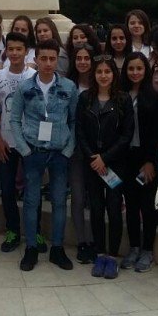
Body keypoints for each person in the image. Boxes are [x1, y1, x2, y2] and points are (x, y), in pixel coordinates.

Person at [8, 39, 77, 272]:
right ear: (35, 60)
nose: (48, 63)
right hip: (33, 151)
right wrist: (24, 150)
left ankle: (57, 248)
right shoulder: (25, 87)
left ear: (58, 60)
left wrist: (68, 150)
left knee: (59, 201)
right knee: (31, 201)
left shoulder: (68, 87)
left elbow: (75, 121)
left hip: (59, 152)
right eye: (43, 58)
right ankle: (31, 249)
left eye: (52, 58)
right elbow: (15, 119)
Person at [78, 56, 134, 279]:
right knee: (97, 209)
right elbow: (80, 131)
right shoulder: (85, 98)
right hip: (92, 164)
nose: (103, 76)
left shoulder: (123, 99)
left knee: (113, 207)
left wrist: (106, 158)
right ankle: (100, 252)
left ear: (114, 74)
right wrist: (94, 158)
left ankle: (112, 256)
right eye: (99, 72)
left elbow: (126, 135)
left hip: (115, 164)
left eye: (107, 72)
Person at [0, 32, 40, 254]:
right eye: (10, 49)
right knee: (8, 189)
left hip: (30, 143)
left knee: (32, 189)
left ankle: (35, 231)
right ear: (6, 51)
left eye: (18, 49)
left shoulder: (35, 76)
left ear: (26, 51)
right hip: (6, 142)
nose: (14, 53)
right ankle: (12, 230)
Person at [120, 51, 158, 273]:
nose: (135, 72)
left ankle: (147, 250)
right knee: (130, 205)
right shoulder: (120, 94)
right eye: (131, 68)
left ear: (145, 71)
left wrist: (151, 161)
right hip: (126, 157)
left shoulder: (154, 96)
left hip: (145, 158)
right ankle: (134, 247)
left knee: (147, 205)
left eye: (139, 68)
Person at [66, 45, 95, 262]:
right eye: (79, 58)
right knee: (77, 196)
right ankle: (82, 241)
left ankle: (96, 239)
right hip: (74, 149)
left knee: (96, 197)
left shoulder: (103, 81)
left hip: (98, 151)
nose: (83, 62)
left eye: (87, 58)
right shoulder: (68, 85)